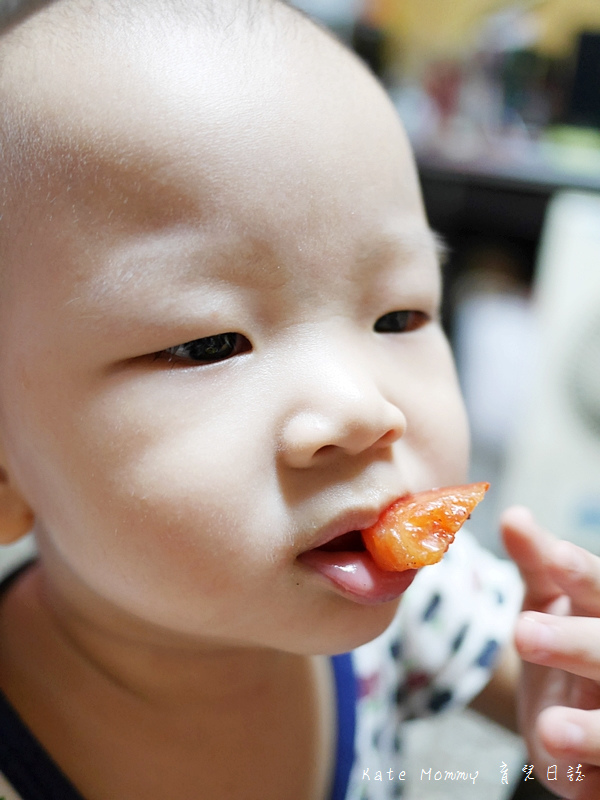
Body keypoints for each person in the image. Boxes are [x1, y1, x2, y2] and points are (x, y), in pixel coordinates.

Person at [0, 1, 598, 798]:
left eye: (401, 315)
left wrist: (566, 735)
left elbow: (559, 723)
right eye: (209, 344)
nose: (363, 409)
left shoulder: (422, 606)